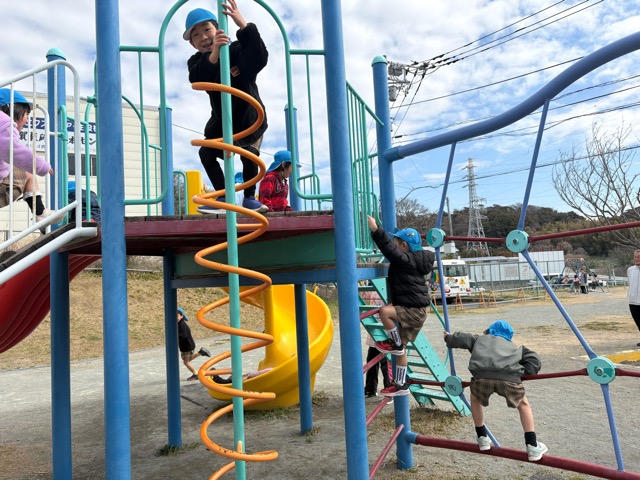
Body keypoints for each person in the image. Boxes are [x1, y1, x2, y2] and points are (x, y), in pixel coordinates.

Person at [184, 1, 269, 214]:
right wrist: (214, 54)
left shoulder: (237, 51)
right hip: (222, 123)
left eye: (207, 30)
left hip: (249, 118)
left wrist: (243, 25)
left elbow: (259, 58)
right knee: (206, 152)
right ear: (192, 44)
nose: (204, 37)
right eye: (196, 35)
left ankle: (249, 197)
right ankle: (224, 196)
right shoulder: (196, 61)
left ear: (218, 29)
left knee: (249, 154)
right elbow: (198, 78)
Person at [444, 320, 548, 462]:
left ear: (490, 331)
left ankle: (482, 438)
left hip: (481, 377)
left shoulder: (479, 339)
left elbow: (462, 338)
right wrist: (525, 373)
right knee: (523, 405)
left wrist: (448, 338)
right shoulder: (514, 347)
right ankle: (532, 445)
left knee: (475, 398)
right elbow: (534, 358)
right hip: (509, 378)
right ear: (509, 336)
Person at [367, 215, 434, 397]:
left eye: (397, 243)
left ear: (404, 246)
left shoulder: (406, 259)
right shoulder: (416, 260)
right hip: (417, 310)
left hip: (413, 310)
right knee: (401, 351)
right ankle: (400, 383)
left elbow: (388, 249)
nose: (394, 246)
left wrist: (376, 229)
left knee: (385, 312)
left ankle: (394, 342)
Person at [0, 89, 55, 222]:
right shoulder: (4, 123)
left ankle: (40, 214)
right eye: (26, 114)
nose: (26, 120)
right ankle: (40, 214)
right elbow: (12, 150)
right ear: (13, 109)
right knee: (28, 173)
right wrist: (41, 165)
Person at [177, 307, 211, 380]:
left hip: (187, 346)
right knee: (187, 360)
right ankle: (201, 353)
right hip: (186, 345)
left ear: (182, 316)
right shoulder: (179, 323)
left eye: (177, 316)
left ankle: (195, 374)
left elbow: (183, 335)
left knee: (186, 362)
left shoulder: (182, 325)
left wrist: (175, 338)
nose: (175, 318)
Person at [364, 334, 392, 398]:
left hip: (386, 342)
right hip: (374, 341)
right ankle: (370, 390)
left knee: (386, 367)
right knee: (371, 365)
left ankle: (389, 392)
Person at [626, 250, 640, 347]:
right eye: (635, 257)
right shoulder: (630, 270)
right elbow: (630, 283)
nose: (636, 259)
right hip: (633, 301)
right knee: (638, 321)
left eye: (638, 257)